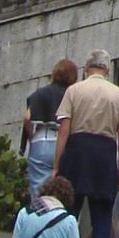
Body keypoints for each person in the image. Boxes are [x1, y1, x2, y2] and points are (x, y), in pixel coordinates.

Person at [52, 50, 119, 238]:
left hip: (76, 151)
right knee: (102, 218)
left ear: (86, 68)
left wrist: (56, 165)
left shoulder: (74, 91)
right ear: (107, 70)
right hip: (105, 154)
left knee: (68, 213)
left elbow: (64, 130)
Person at [22, 59, 78, 202]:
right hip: (64, 143)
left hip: (42, 139)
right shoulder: (73, 95)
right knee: (63, 191)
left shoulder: (40, 93)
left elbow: (27, 118)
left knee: (38, 189)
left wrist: (31, 137)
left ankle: (40, 216)